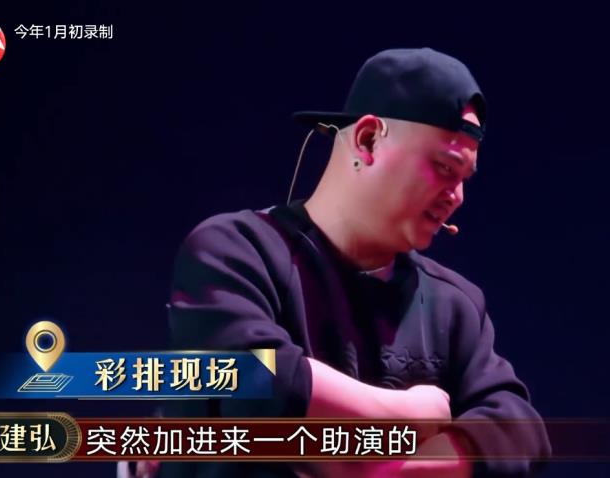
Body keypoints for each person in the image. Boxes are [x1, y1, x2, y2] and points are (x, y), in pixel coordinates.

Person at [159, 48, 551, 477]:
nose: (456, 197)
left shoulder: (454, 306)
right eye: (444, 167)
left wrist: (386, 471)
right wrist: (405, 413)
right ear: (367, 140)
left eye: (463, 180)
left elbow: (518, 428)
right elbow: (247, 374)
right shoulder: (238, 250)